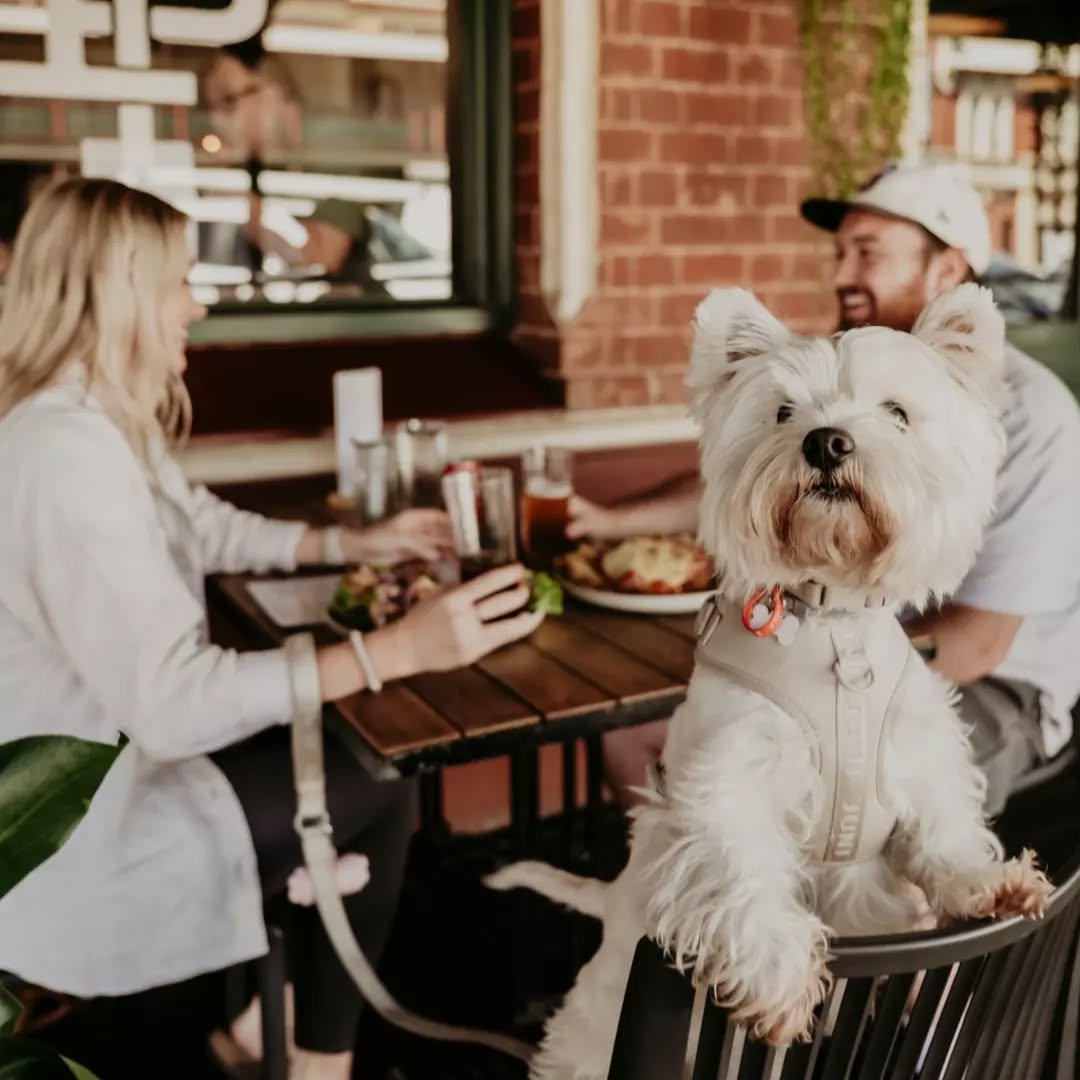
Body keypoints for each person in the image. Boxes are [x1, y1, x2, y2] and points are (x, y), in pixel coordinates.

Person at [0, 177, 543, 1080]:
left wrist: (345, 539)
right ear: (118, 293)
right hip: (78, 830)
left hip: (121, 760)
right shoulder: (60, 454)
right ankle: (309, 1057)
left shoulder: (88, 421)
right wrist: (391, 652)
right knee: (375, 775)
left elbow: (201, 525)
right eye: (177, 279)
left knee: (359, 755)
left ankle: (267, 1029)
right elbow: (174, 701)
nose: (196, 301)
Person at [594, 162, 1080, 819]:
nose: (842, 275)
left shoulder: (1031, 416)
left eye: (869, 254)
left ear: (947, 271)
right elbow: (746, 478)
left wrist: (806, 700)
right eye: (841, 253)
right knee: (643, 736)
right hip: (829, 654)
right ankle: (691, 907)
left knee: (880, 812)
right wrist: (603, 520)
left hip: (989, 687)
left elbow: (978, 644)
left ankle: (893, 920)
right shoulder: (832, 373)